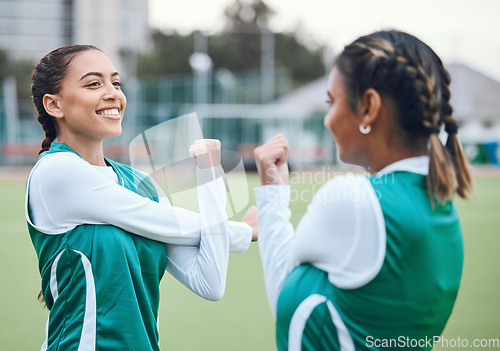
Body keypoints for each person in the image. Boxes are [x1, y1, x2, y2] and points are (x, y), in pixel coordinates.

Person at [253, 30, 472, 350]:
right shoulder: (441, 205)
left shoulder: (356, 200)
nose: (327, 120)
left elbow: (285, 296)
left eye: (332, 102)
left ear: (368, 106)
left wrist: (272, 196)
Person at [26, 44, 256, 351]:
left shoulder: (139, 184)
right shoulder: (57, 172)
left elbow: (209, 282)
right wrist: (244, 232)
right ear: (54, 105)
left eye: (116, 83)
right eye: (94, 83)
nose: (112, 93)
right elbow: (176, 223)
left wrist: (210, 173)